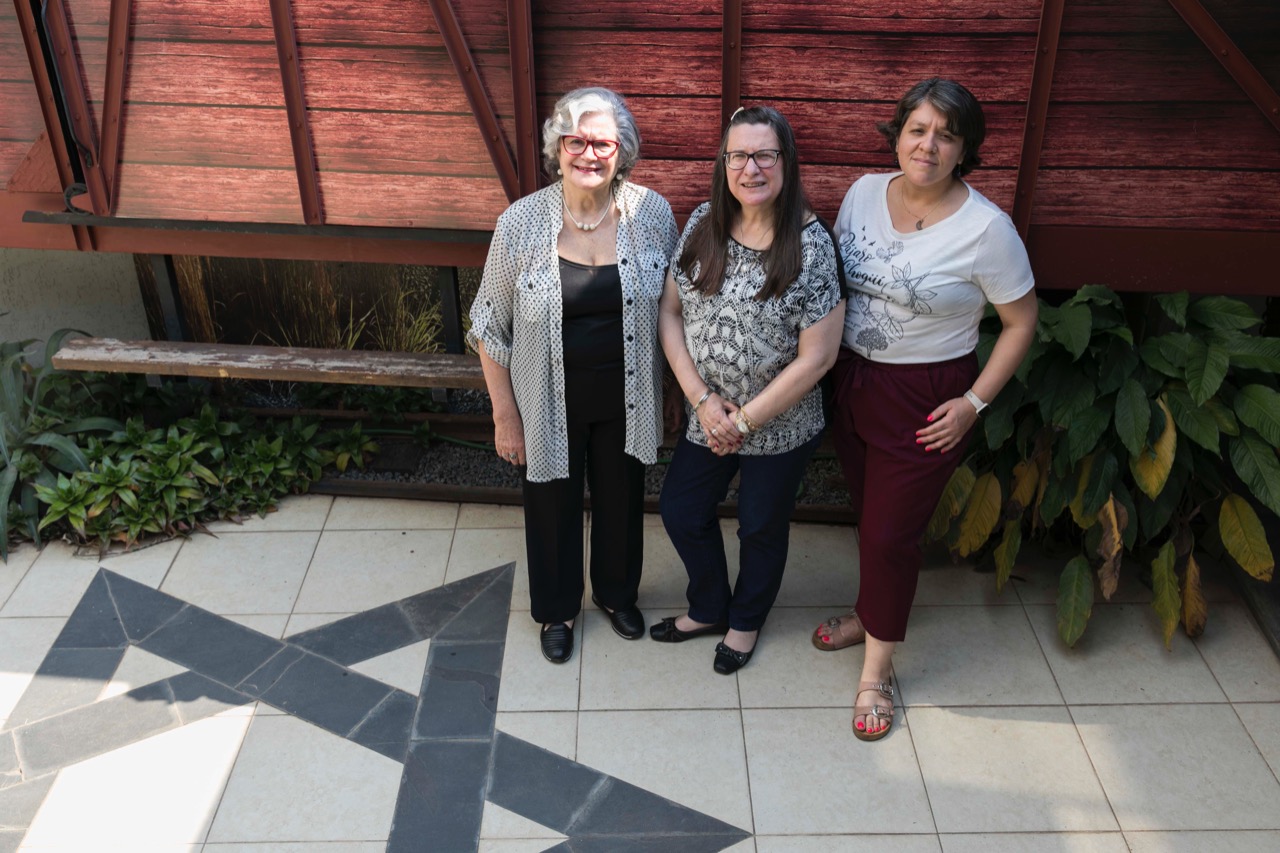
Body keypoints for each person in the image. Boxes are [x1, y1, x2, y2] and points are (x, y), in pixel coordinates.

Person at [811, 78, 1038, 740]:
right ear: (898, 132)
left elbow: (1021, 322)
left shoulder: (987, 230)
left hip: (927, 394)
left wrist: (973, 402)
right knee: (872, 513)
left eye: (946, 134)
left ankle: (877, 670)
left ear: (965, 148)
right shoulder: (860, 194)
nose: (928, 145)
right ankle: (870, 612)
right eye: (918, 129)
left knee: (890, 532)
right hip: (853, 381)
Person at [468, 87, 678, 664]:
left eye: (602, 143)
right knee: (551, 506)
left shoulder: (651, 213)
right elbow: (488, 323)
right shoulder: (520, 223)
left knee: (622, 499)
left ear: (621, 151)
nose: (589, 154)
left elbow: (674, 306)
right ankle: (558, 609)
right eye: (576, 141)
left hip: (627, 396)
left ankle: (615, 595)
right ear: (557, 149)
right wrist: (505, 415)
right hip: (546, 400)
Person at [651, 106, 845, 675]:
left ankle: (745, 620)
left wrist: (745, 421)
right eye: (739, 155)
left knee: (761, 525)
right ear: (724, 162)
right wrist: (705, 403)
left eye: (765, 155)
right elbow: (668, 313)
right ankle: (710, 606)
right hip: (706, 414)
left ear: (785, 161)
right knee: (682, 509)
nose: (751, 168)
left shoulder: (811, 246)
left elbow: (819, 357)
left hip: (780, 423)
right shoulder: (703, 222)